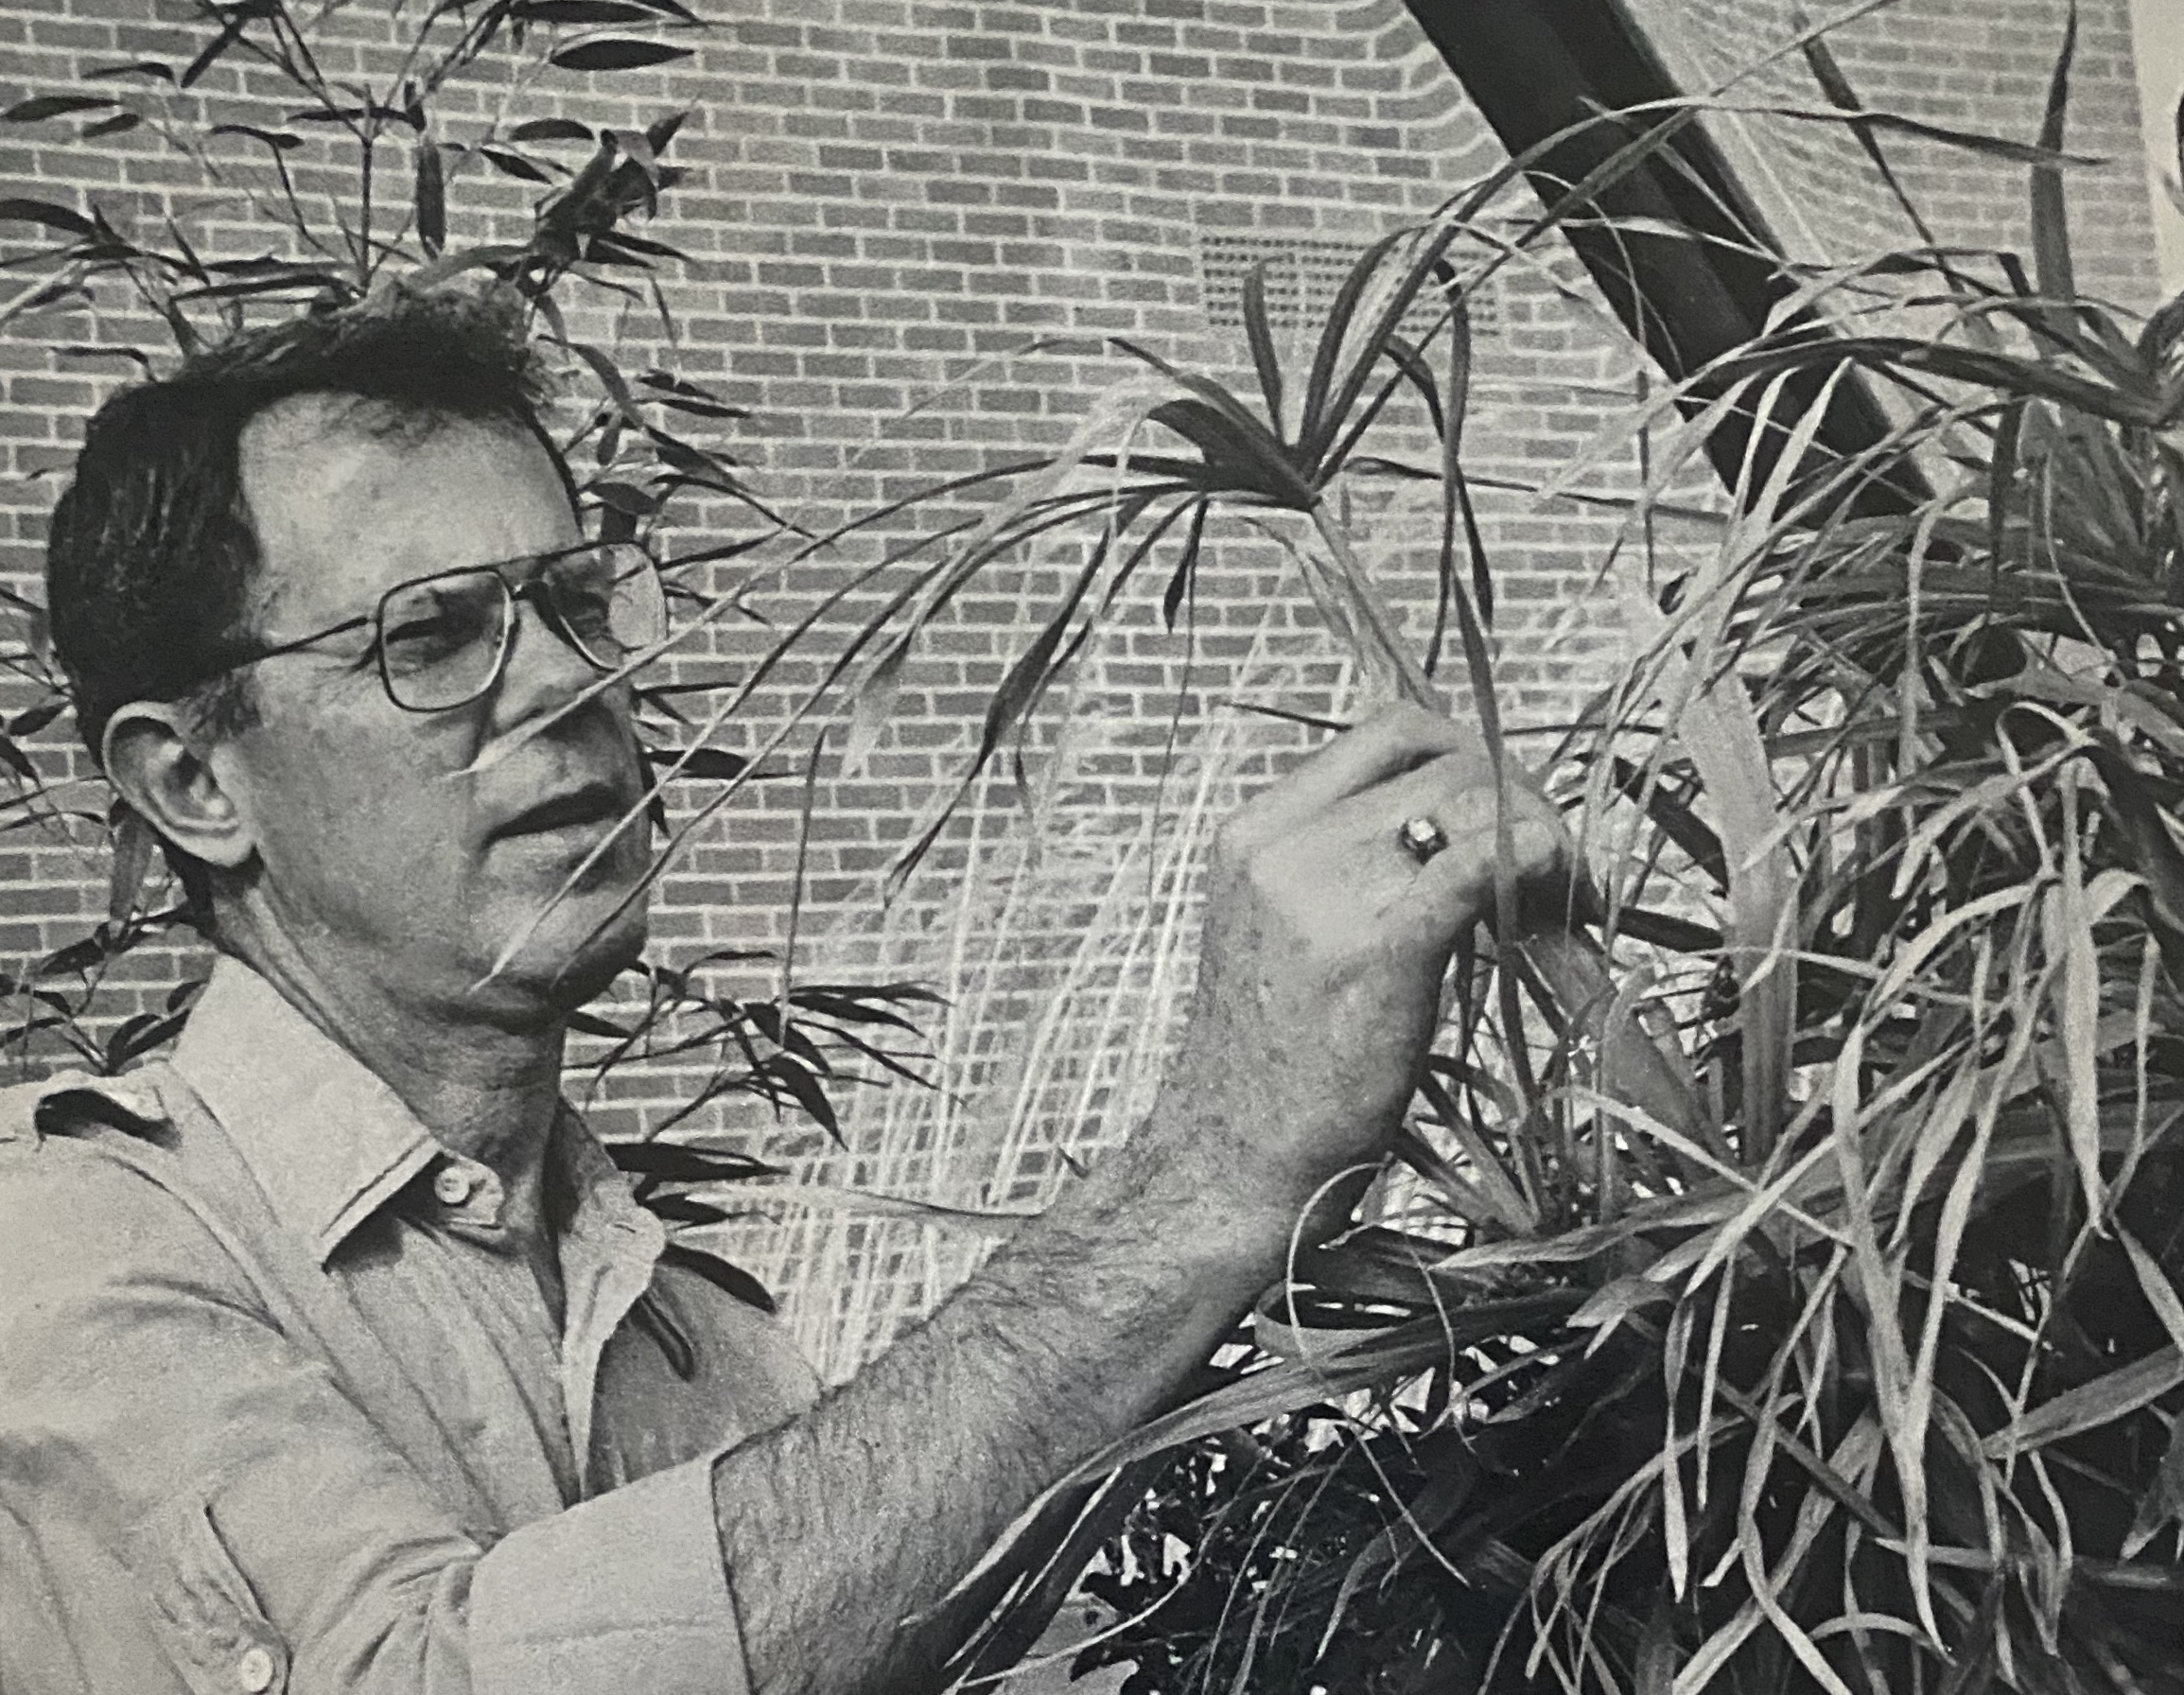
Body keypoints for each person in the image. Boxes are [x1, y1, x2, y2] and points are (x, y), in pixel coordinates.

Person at [0, 289, 1566, 1695]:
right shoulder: (62, 1246)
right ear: (196, 782)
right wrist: (1213, 1171)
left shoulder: (719, 1352)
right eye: (434, 634)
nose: (565, 682)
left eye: (573, 599)